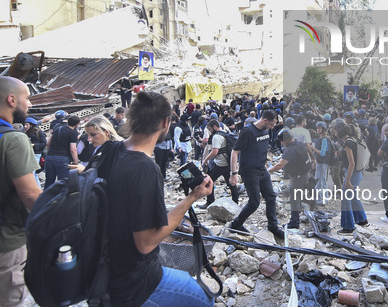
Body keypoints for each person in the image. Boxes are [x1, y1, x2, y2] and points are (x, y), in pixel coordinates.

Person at [105, 90, 214, 306]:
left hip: (103, 265)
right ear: (166, 122)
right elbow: (146, 243)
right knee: (204, 299)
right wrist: (192, 197)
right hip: (132, 280)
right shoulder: (145, 169)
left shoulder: (109, 149)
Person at [0, 76, 43, 306]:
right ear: (12, 100)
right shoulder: (13, 139)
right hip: (4, 244)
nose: (29, 104)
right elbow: (31, 195)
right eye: (27, 98)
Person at [228, 110, 285, 242]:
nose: (272, 128)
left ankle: (273, 225)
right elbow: (235, 152)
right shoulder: (247, 131)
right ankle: (236, 224)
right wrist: (233, 174)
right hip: (249, 171)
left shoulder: (266, 130)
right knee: (254, 202)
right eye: (271, 125)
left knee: (271, 196)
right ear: (264, 121)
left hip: (262, 169)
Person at [268, 128, 312, 229]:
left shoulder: (290, 150)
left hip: (298, 176)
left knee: (294, 198)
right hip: (305, 172)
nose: (281, 143)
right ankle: (302, 212)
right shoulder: (299, 143)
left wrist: (268, 171)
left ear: (285, 140)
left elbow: (280, 165)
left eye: (281, 141)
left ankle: (295, 222)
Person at [333, 120, 368, 234]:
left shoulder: (348, 143)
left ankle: (348, 227)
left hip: (352, 173)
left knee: (346, 199)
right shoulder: (353, 139)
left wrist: (347, 180)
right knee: (353, 197)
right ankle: (362, 219)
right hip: (357, 173)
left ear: (339, 131)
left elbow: (351, 163)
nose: (333, 132)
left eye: (334, 130)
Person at [198, 120, 239, 209]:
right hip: (228, 163)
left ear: (214, 127)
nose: (210, 131)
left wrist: (206, 159)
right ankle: (236, 201)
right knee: (231, 182)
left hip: (220, 164)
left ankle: (210, 201)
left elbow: (215, 151)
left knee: (209, 181)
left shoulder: (216, 137)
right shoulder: (226, 133)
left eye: (210, 129)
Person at [44, 115, 81, 190]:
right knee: (63, 182)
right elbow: (73, 149)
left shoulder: (58, 129)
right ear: (77, 124)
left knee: (49, 181)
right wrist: (76, 162)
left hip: (49, 157)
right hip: (62, 158)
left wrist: (50, 152)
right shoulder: (73, 133)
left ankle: (45, 199)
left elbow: (48, 143)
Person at [312, 121, 331, 206]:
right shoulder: (322, 139)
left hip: (322, 163)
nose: (318, 129)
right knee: (323, 181)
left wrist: (313, 148)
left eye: (320, 128)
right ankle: (325, 199)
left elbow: (322, 153)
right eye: (317, 128)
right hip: (320, 162)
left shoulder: (324, 139)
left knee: (320, 181)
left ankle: (321, 200)